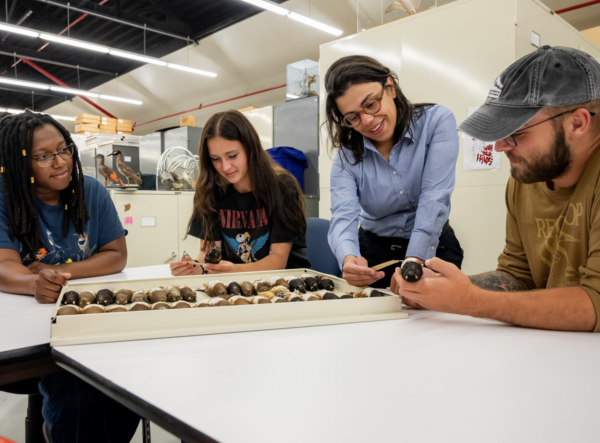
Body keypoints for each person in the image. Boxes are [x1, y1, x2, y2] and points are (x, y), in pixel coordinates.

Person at [392, 45, 600, 332]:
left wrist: (470, 301)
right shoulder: (526, 176)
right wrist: (438, 290)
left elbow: (595, 303)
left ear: (577, 123)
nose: (499, 146)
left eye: (516, 133)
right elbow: (518, 276)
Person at [0, 111, 139, 443]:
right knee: (75, 388)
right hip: (28, 335)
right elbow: (4, 263)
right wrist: (33, 283)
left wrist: (59, 275)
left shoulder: (90, 190)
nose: (60, 162)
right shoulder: (5, 197)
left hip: (86, 319)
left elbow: (116, 254)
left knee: (132, 381)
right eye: (43, 156)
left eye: (64, 149)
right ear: (19, 164)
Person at [324, 55, 463, 289]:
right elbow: (343, 216)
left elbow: (434, 198)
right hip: (374, 258)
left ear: (390, 87)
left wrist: (414, 262)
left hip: (432, 250)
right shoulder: (347, 158)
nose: (367, 121)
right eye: (353, 117)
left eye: (370, 104)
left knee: (436, 322)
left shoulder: (436, 122)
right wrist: (349, 260)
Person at [171, 110, 310, 276]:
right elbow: (208, 252)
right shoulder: (210, 190)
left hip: (286, 282)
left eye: (232, 155)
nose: (225, 167)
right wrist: (197, 267)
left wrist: (233, 270)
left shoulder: (282, 187)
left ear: (250, 148)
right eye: (215, 159)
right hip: (234, 282)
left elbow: (278, 260)